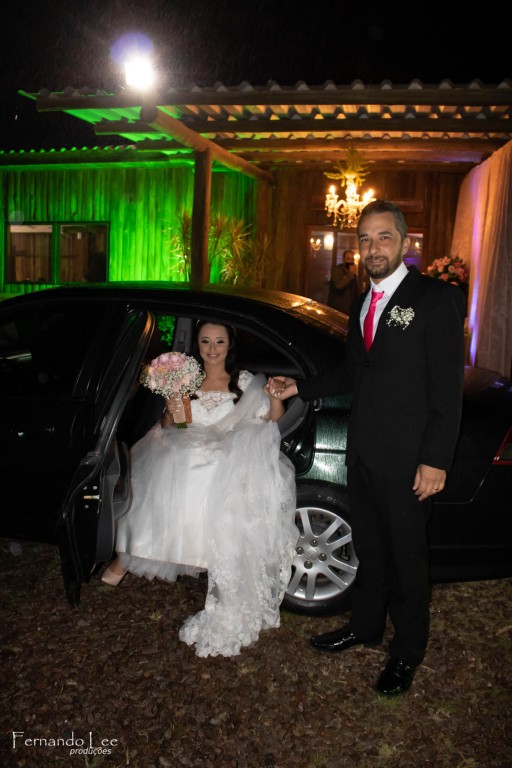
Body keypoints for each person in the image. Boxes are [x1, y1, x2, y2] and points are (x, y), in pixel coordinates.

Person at [270, 200, 465, 696]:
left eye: (383, 237)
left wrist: (435, 459)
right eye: (364, 239)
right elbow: (353, 372)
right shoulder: (361, 302)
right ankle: (365, 626)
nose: (372, 247)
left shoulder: (435, 298)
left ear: (404, 242)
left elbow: (448, 389)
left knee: (408, 559)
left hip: (410, 458)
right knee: (371, 549)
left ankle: (407, 651)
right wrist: (299, 388)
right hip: (362, 452)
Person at [102, 320, 298, 658]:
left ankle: (211, 566)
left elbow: (271, 418)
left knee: (209, 466)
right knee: (178, 463)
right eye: (206, 341)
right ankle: (129, 556)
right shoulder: (186, 379)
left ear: (229, 344)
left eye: (219, 341)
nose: (212, 348)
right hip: (187, 444)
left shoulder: (244, 381)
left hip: (229, 453)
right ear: (198, 345)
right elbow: (173, 426)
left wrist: (274, 397)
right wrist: (172, 410)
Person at [327, 249, 359, 314]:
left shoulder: (352, 274)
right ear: (343, 260)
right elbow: (339, 285)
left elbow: (354, 291)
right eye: (348, 259)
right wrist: (350, 274)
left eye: (352, 259)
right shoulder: (337, 269)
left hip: (350, 309)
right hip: (337, 309)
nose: (351, 261)